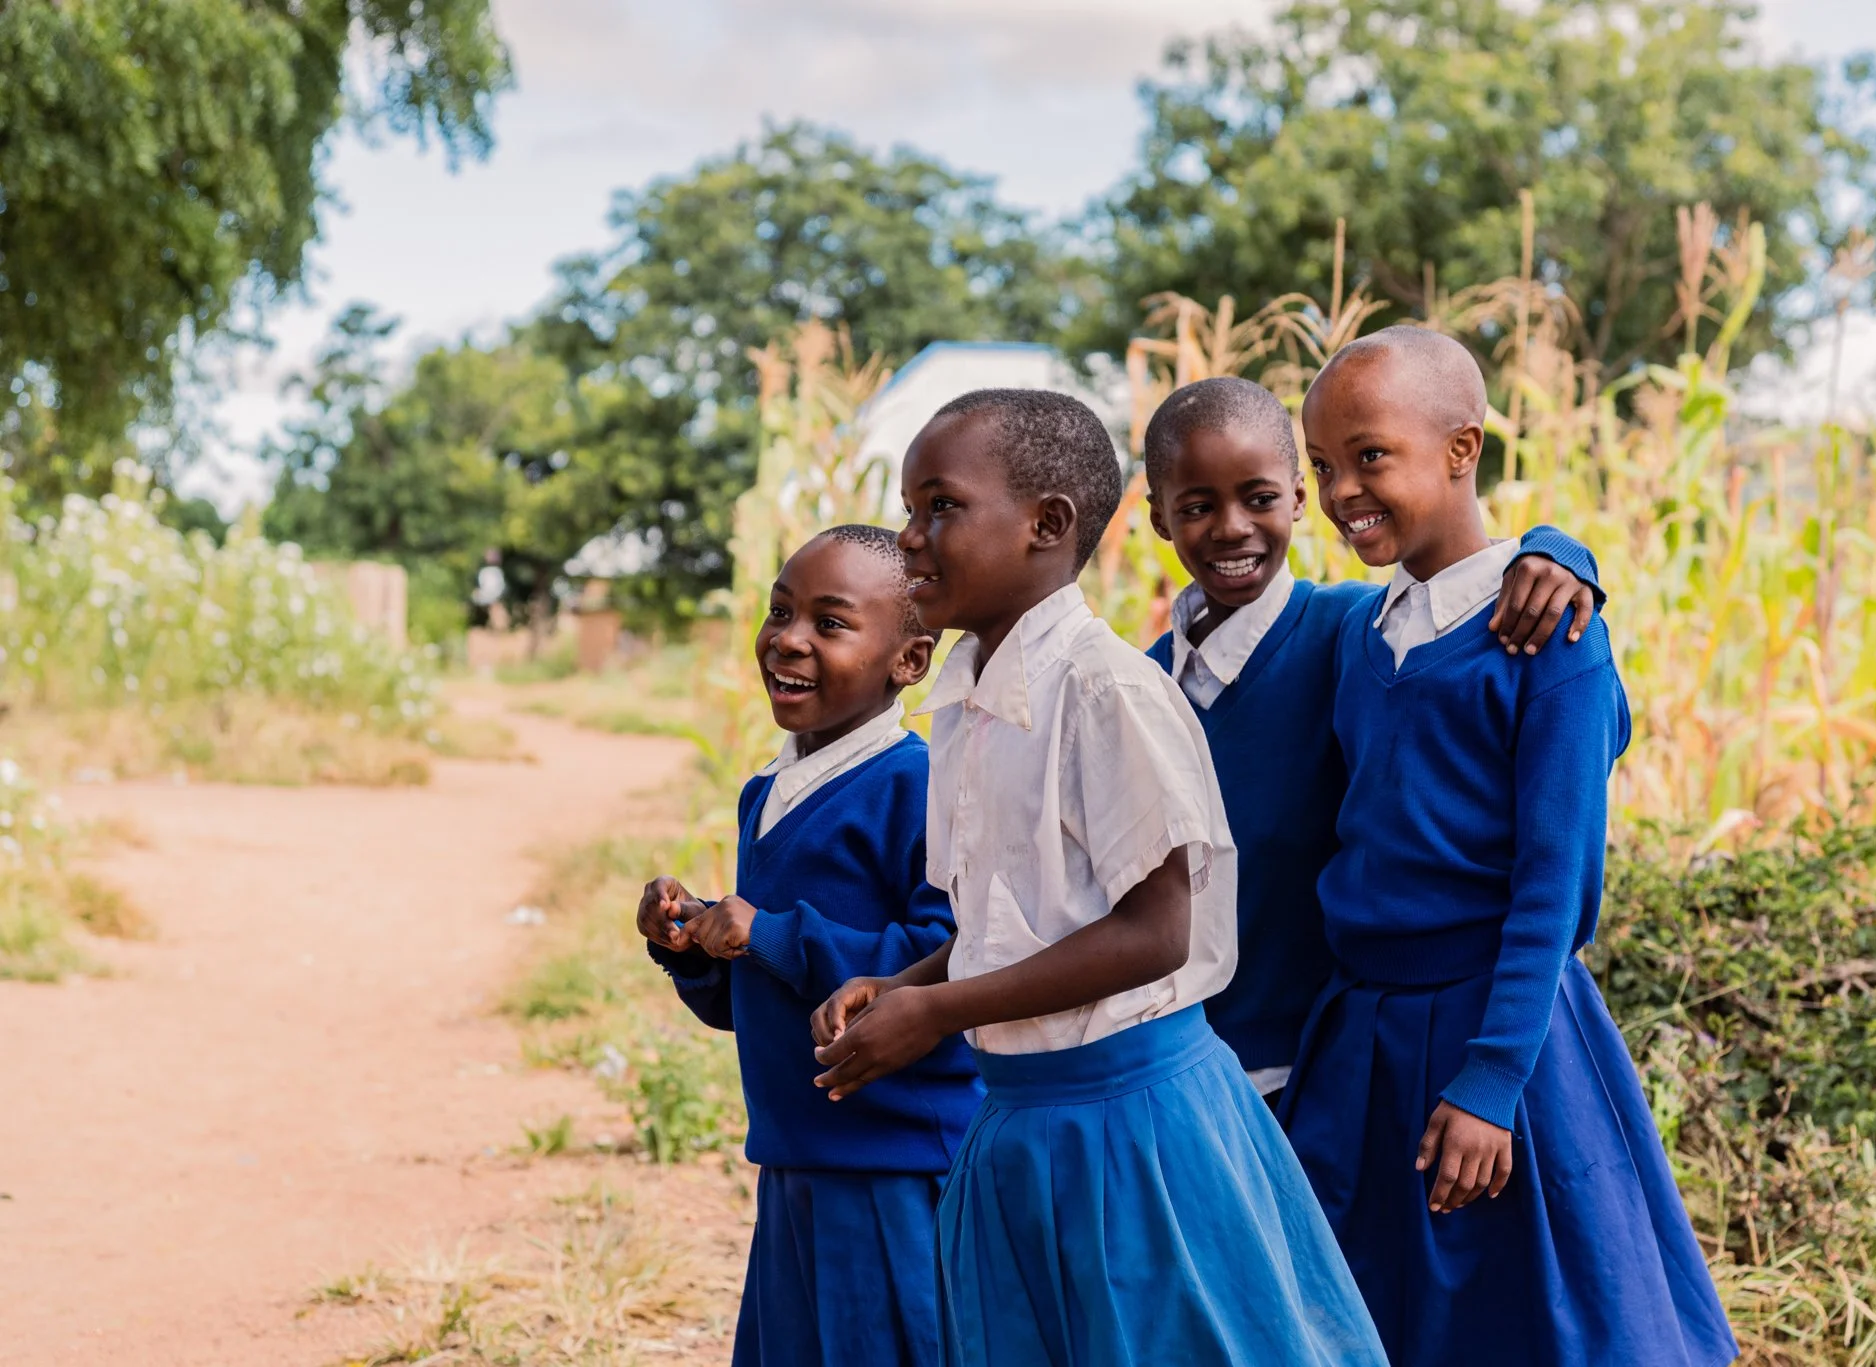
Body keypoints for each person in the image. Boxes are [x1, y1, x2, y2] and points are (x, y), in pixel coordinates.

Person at [809, 390, 1386, 1367]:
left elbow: (1155, 929)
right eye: (910, 509)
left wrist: (941, 1014)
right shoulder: (963, 702)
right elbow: (1019, 921)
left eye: (938, 507)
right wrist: (907, 986)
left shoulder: (1105, 689)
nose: (908, 540)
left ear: (1046, 524)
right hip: (1022, 1121)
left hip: (1137, 1131)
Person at [1284, 329, 1736, 1366]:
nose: (1340, 489)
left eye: (1367, 455)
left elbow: (1554, 887)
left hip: (1500, 1035)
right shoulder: (1359, 630)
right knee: (1364, 1319)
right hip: (1360, 1039)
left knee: (1528, 1318)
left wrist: (1490, 1081)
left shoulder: (1547, 634)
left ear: (1459, 449)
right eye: (1319, 467)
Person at [1139, 376, 1603, 1105]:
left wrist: (1558, 554)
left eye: (1259, 498)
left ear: (1294, 500)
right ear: (1159, 519)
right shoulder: (1137, 688)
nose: (1230, 527)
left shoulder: (1344, 629)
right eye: (1197, 507)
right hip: (1175, 1060)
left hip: (1313, 1050)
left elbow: (1554, 714)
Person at [636, 524, 984, 1367]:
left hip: (892, 1165)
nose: (788, 638)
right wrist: (691, 942)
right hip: (797, 1157)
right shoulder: (769, 790)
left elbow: (951, 951)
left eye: (830, 623)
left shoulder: (920, 785)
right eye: (779, 611)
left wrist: (771, 930)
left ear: (908, 662)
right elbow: (760, 992)